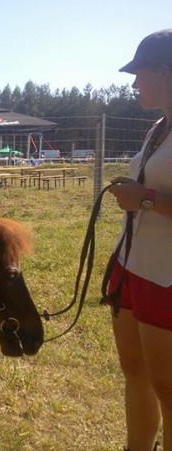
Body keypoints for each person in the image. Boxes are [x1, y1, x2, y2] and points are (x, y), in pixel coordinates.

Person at [107, 29, 172, 451]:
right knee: (135, 372)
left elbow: (153, 196)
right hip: (132, 264)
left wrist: (143, 198)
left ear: (165, 73)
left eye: (139, 73)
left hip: (166, 276)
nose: (133, 84)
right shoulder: (158, 127)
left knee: (168, 387)